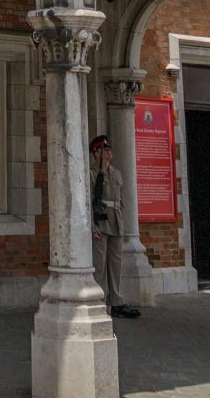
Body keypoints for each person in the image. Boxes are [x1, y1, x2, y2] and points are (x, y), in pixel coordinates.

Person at [90, 135, 139, 319]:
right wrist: (93, 226)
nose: (109, 152)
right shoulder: (93, 174)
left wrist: (122, 220)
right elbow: (90, 201)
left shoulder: (116, 173)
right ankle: (100, 300)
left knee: (115, 263)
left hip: (116, 220)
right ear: (97, 153)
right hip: (101, 222)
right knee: (100, 264)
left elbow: (121, 199)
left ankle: (116, 300)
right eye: (105, 149)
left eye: (109, 149)